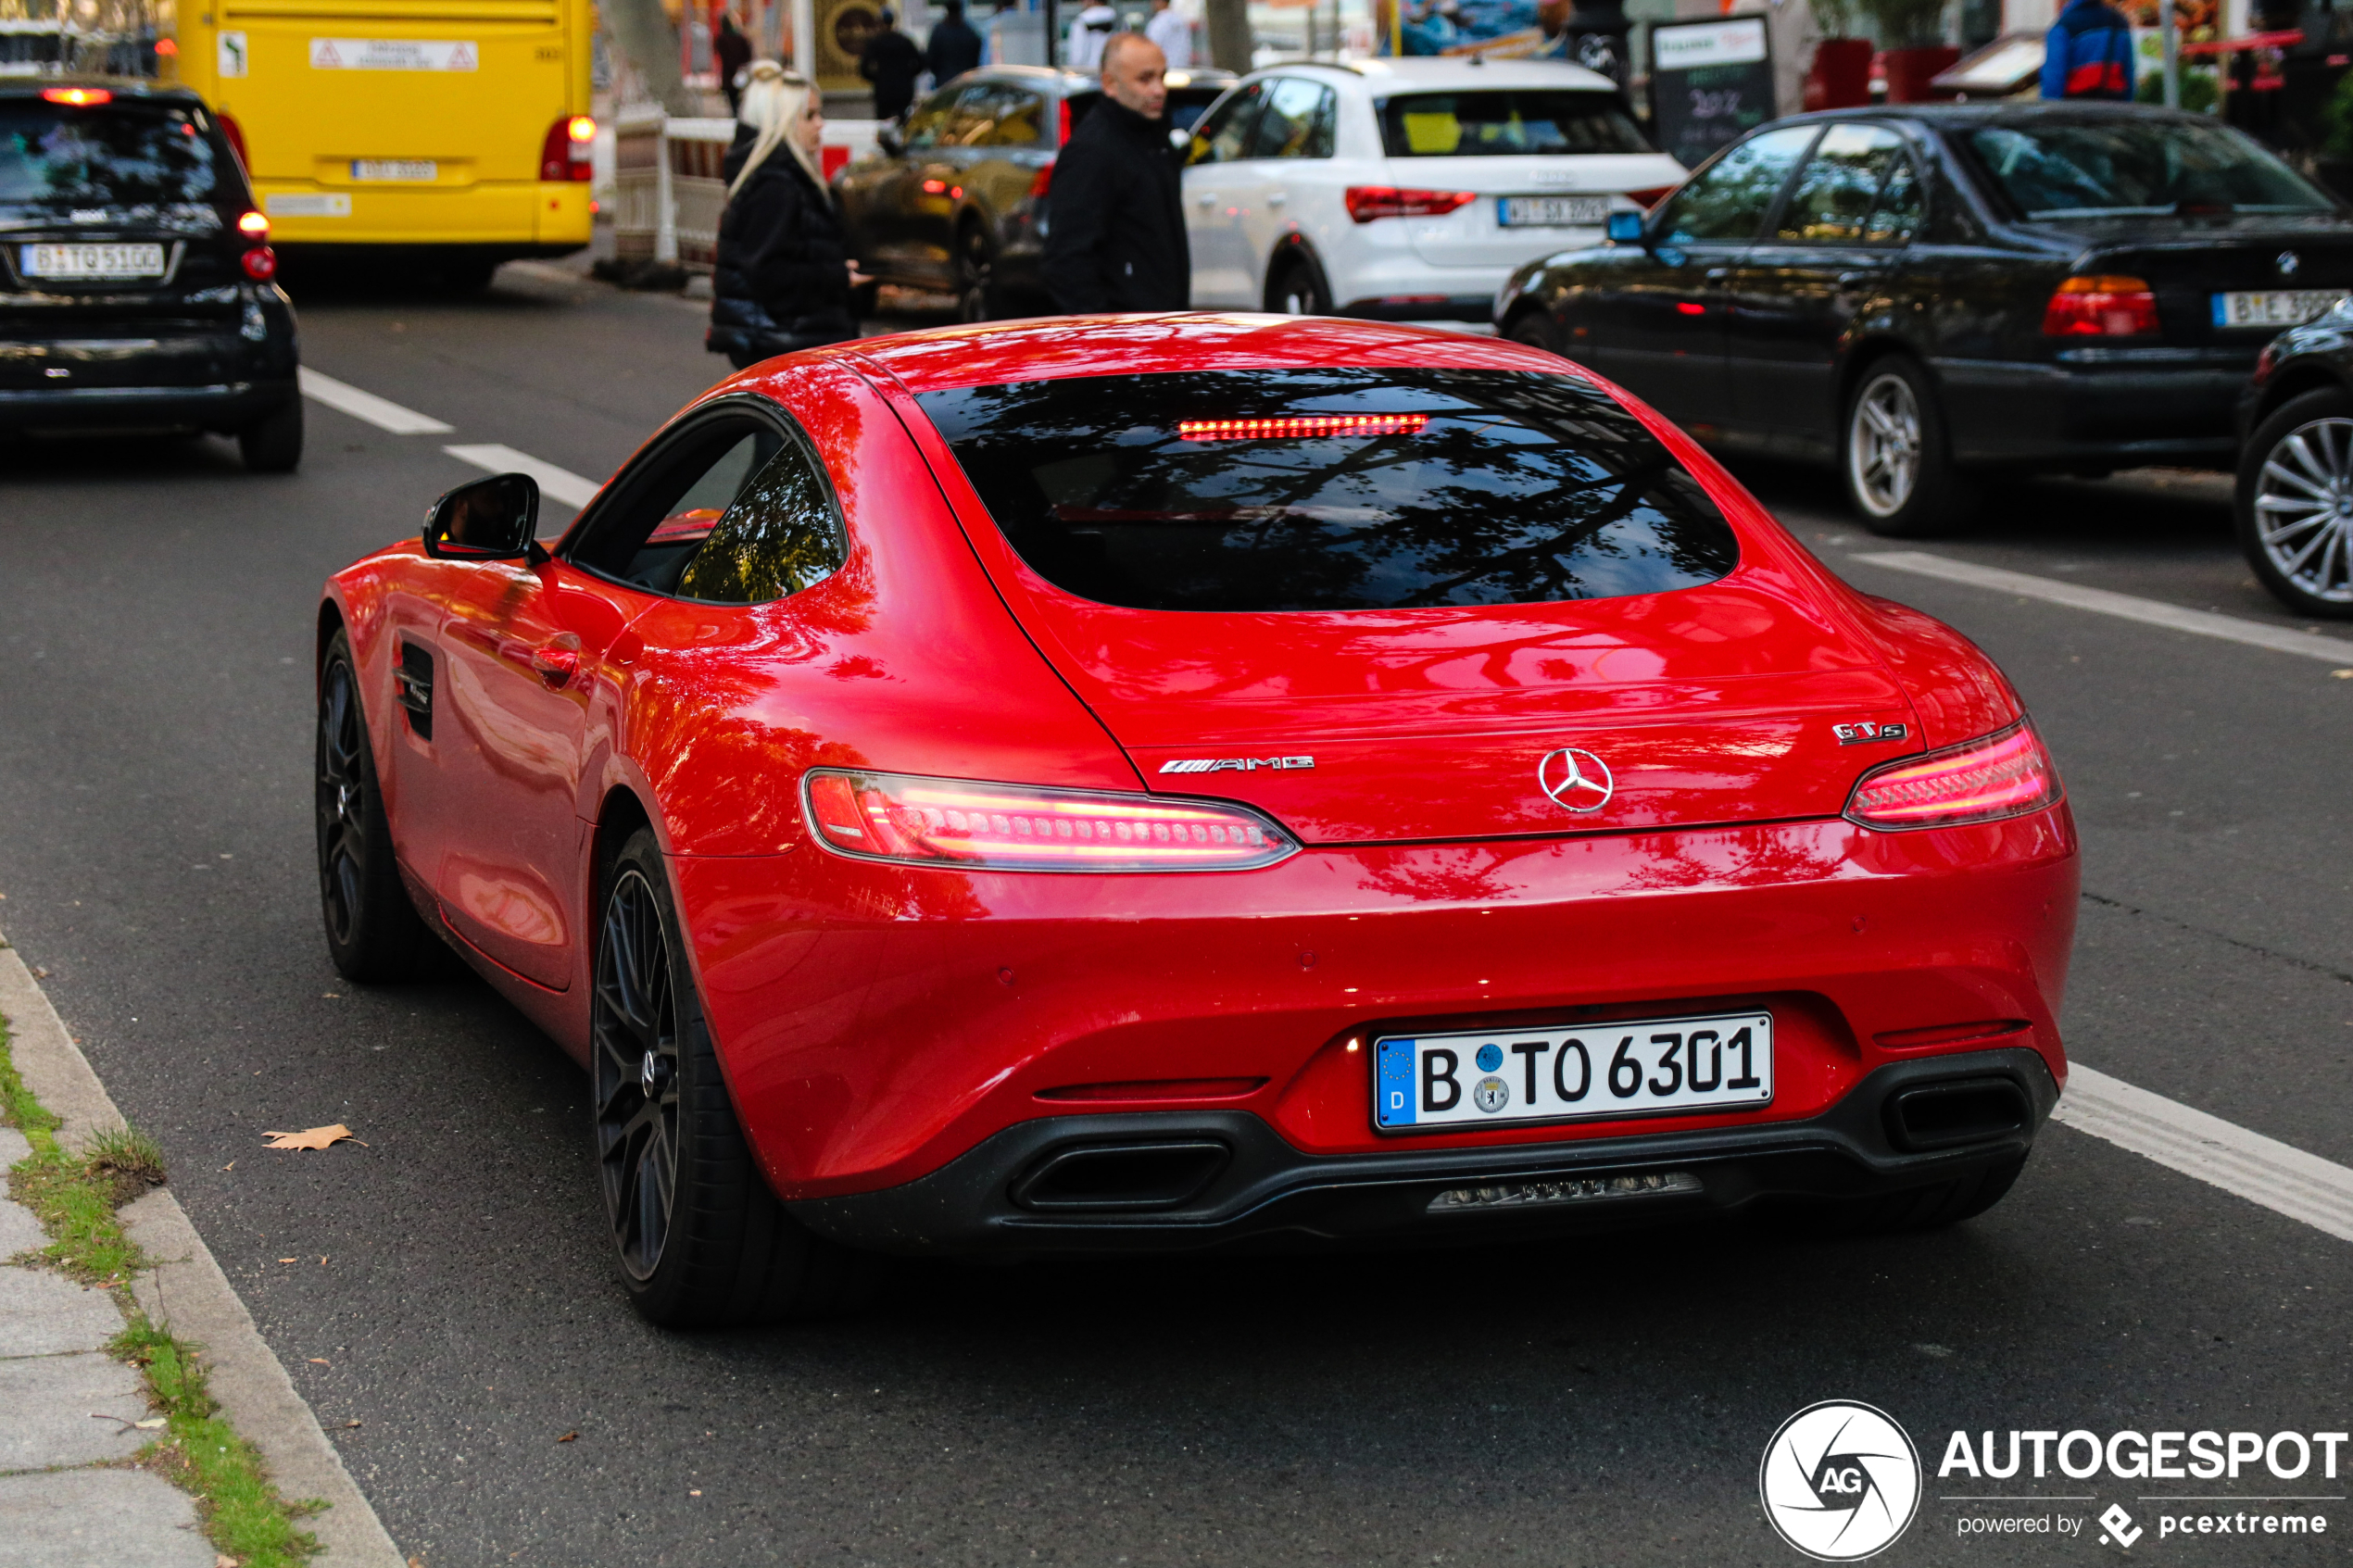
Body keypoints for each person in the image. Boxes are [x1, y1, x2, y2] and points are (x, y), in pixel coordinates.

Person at [708, 61, 867, 370]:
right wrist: (835, 275)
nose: (820, 124)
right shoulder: (776, 186)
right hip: (784, 348)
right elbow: (772, 276)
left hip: (787, 344)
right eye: (810, 116)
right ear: (781, 121)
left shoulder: (780, 180)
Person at [1040, 32, 1188, 314]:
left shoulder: (1154, 140)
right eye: (1145, 79)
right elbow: (1066, 259)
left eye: (1161, 77)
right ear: (1110, 83)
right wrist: (1104, 333)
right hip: (1124, 338)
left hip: (1159, 327)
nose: (1158, 90)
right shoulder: (1093, 151)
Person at [2041, 0, 2134, 98]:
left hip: (2075, 107)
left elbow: (2054, 80)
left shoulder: (2063, 28)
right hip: (2114, 105)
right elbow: (2128, 75)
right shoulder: (2119, 22)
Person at [860, 8, 925, 119]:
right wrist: (908, 75)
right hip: (903, 91)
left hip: (884, 91)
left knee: (883, 123)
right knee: (903, 121)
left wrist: (877, 78)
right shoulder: (904, 41)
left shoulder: (875, 43)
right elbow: (921, 62)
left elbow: (864, 68)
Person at [925, 0, 984, 83]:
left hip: (944, 80)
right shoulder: (969, 32)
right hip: (965, 79)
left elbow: (931, 58)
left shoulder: (939, 32)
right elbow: (977, 56)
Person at [714, 11, 752, 115]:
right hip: (738, 74)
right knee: (736, 102)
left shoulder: (722, 39)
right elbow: (747, 56)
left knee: (734, 103)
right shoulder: (740, 39)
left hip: (730, 76)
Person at [1065, 1, 1118, 70]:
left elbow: (1076, 57)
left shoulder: (1081, 22)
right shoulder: (1118, 20)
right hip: (1113, 72)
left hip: (1088, 73)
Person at [1143, 0, 1191, 69]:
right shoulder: (1180, 20)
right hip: (1183, 69)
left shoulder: (1157, 23)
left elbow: (1151, 47)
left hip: (1164, 70)